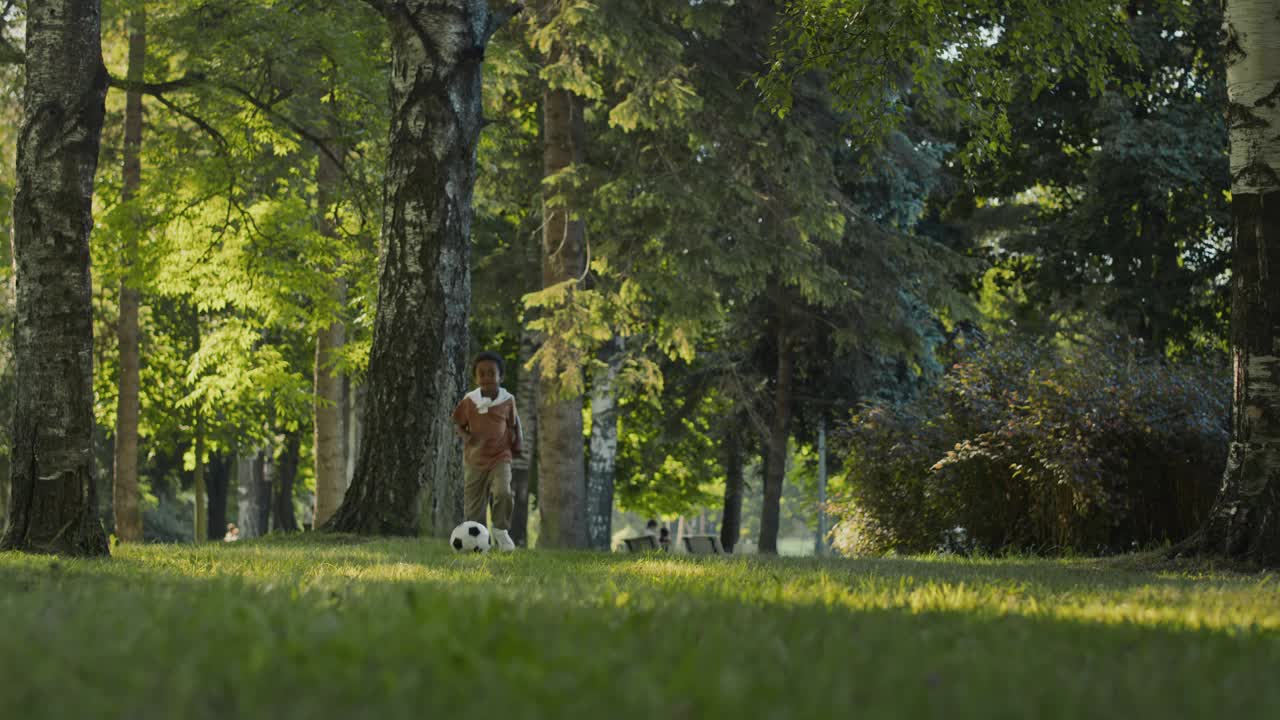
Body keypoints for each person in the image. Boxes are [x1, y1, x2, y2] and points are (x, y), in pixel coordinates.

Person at [452, 350, 522, 552]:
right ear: (475, 377)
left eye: (492, 373)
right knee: (474, 506)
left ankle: (500, 530)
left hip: (501, 456)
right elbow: (458, 423)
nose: (487, 378)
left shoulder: (508, 400)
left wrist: (518, 444)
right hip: (475, 459)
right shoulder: (470, 401)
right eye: (481, 374)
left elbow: (515, 425)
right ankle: (479, 542)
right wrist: (466, 437)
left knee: (503, 492)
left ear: (501, 377)